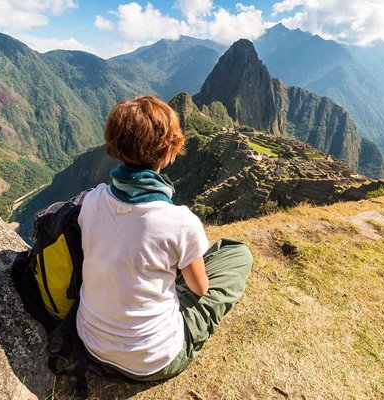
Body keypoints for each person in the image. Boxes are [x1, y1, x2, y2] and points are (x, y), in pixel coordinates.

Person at [76, 95, 253, 381]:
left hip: (91, 342)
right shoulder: (179, 221)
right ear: (169, 149)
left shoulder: (90, 201)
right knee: (236, 253)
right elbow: (199, 289)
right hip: (152, 361)